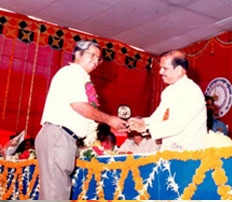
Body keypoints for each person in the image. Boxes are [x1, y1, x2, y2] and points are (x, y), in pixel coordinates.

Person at [35, 40, 126, 200]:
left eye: (98, 58)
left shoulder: (80, 77)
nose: (96, 61)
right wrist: (109, 120)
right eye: (92, 55)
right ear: (77, 54)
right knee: (55, 193)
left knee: (57, 191)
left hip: (64, 139)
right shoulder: (71, 73)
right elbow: (79, 105)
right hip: (59, 136)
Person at [128, 50, 208, 151]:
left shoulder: (192, 91)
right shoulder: (168, 91)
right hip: (169, 151)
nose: (160, 72)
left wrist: (146, 128)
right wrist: (141, 122)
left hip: (190, 153)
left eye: (164, 68)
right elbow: (158, 117)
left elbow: (177, 124)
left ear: (178, 70)